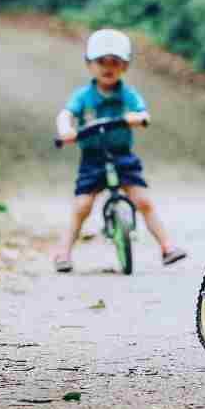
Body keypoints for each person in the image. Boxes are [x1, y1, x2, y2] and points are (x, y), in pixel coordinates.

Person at [52, 28, 187, 273]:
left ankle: (167, 247)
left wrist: (138, 117)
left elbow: (142, 112)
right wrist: (65, 130)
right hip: (93, 159)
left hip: (122, 156)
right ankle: (63, 252)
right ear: (89, 65)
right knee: (82, 205)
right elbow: (66, 114)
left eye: (115, 62)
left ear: (124, 67)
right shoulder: (83, 96)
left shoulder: (127, 94)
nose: (108, 67)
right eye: (101, 62)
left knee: (143, 201)